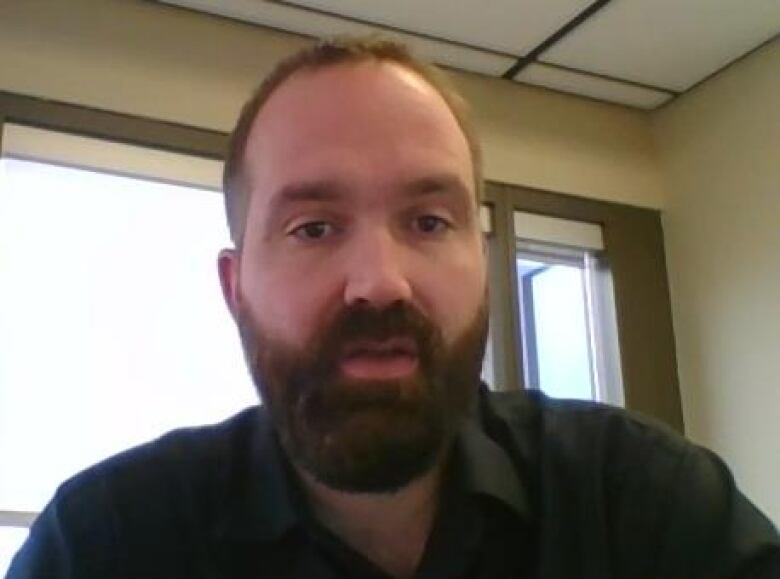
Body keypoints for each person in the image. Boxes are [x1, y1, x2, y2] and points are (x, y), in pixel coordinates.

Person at [7, 36, 779, 579]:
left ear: (482, 263)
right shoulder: (106, 543)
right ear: (235, 288)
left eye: (428, 221)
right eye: (314, 227)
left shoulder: (645, 504)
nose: (379, 280)